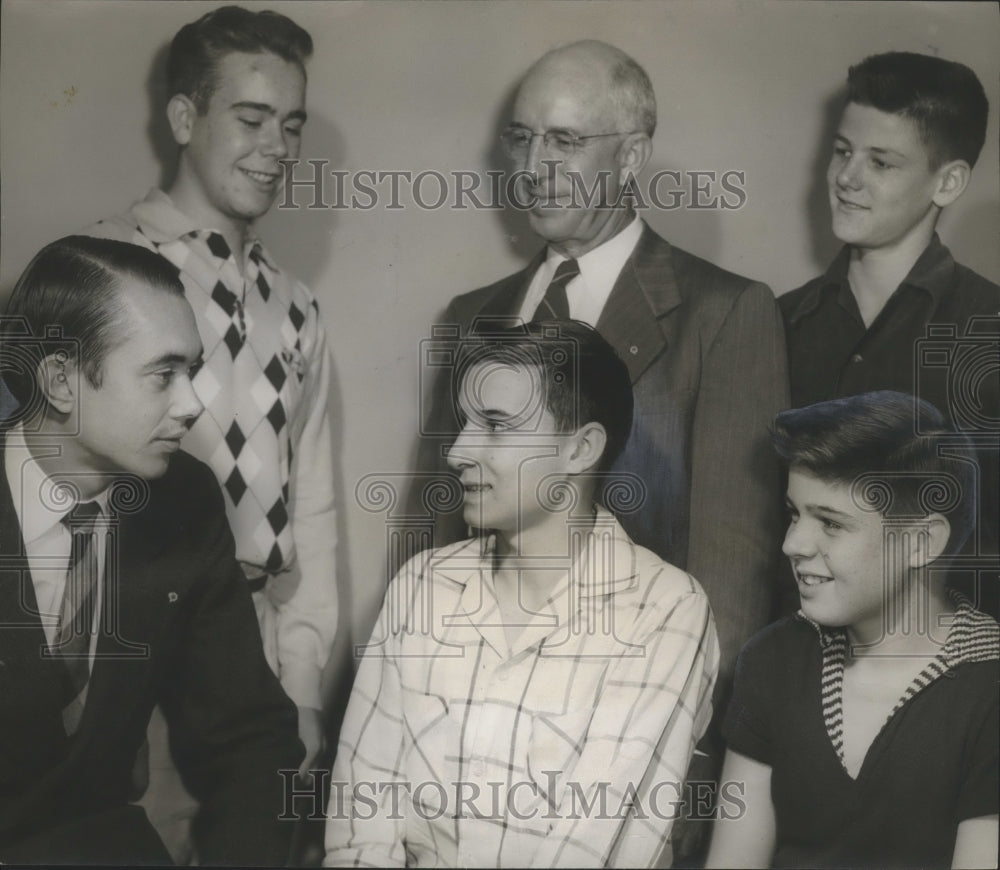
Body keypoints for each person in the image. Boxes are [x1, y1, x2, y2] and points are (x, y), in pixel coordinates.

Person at [418, 40, 788, 745]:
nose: (533, 170)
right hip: (466, 721)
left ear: (631, 156)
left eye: (565, 142)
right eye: (521, 139)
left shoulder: (724, 314)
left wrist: (676, 760)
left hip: (627, 729)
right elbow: (434, 545)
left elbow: (731, 577)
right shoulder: (470, 317)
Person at [84, 5, 338, 856]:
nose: (278, 147)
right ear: (185, 117)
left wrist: (299, 686)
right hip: (123, 650)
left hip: (253, 666)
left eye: (292, 125)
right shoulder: (93, 267)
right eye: (252, 118)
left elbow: (318, 518)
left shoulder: (298, 308)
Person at [327, 321, 719, 868]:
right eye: (465, 424)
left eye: (495, 426)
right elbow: (361, 819)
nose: (458, 451)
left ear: (580, 449)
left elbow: (596, 846)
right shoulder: (422, 586)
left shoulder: (664, 610)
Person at [0, 236, 303, 864]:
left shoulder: (184, 502)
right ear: (60, 379)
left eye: (192, 371)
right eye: (164, 375)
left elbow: (250, 735)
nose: (192, 404)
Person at [705, 391, 999, 869]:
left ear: (921, 542)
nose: (792, 543)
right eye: (794, 514)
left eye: (831, 524)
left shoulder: (989, 690)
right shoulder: (773, 659)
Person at [779, 51, 999, 615]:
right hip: (792, 656)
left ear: (948, 182)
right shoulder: (776, 322)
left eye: (881, 162)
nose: (847, 178)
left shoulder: (989, 331)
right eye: (843, 152)